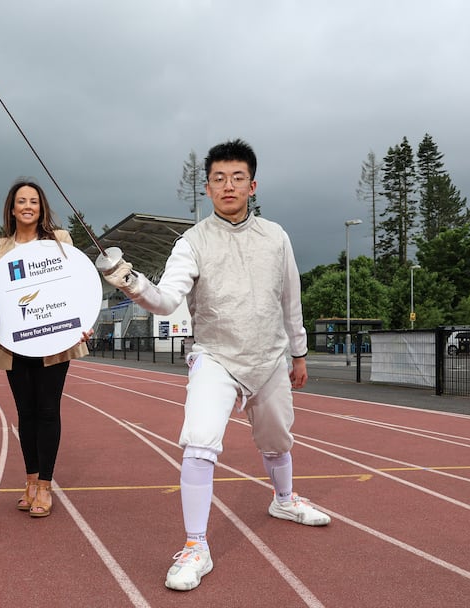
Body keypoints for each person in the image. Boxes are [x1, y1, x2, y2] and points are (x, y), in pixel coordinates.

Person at [102, 139, 330, 591]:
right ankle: (195, 546)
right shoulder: (192, 241)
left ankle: (283, 500)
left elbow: (291, 301)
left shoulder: (276, 237)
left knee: (276, 441)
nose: (229, 186)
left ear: (253, 185)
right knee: (199, 443)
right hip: (217, 357)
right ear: (207, 188)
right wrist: (129, 280)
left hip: (269, 358)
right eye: (219, 179)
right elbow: (166, 300)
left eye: (237, 178)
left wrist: (298, 353)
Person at [0, 179, 92, 518]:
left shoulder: (60, 241)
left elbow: (77, 285)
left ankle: (45, 486)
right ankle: (30, 481)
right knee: (25, 413)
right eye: (22, 201)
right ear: (12, 208)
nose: (28, 205)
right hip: (15, 344)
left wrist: (82, 322)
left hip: (55, 341)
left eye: (34, 200)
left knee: (48, 410)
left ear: (41, 207)